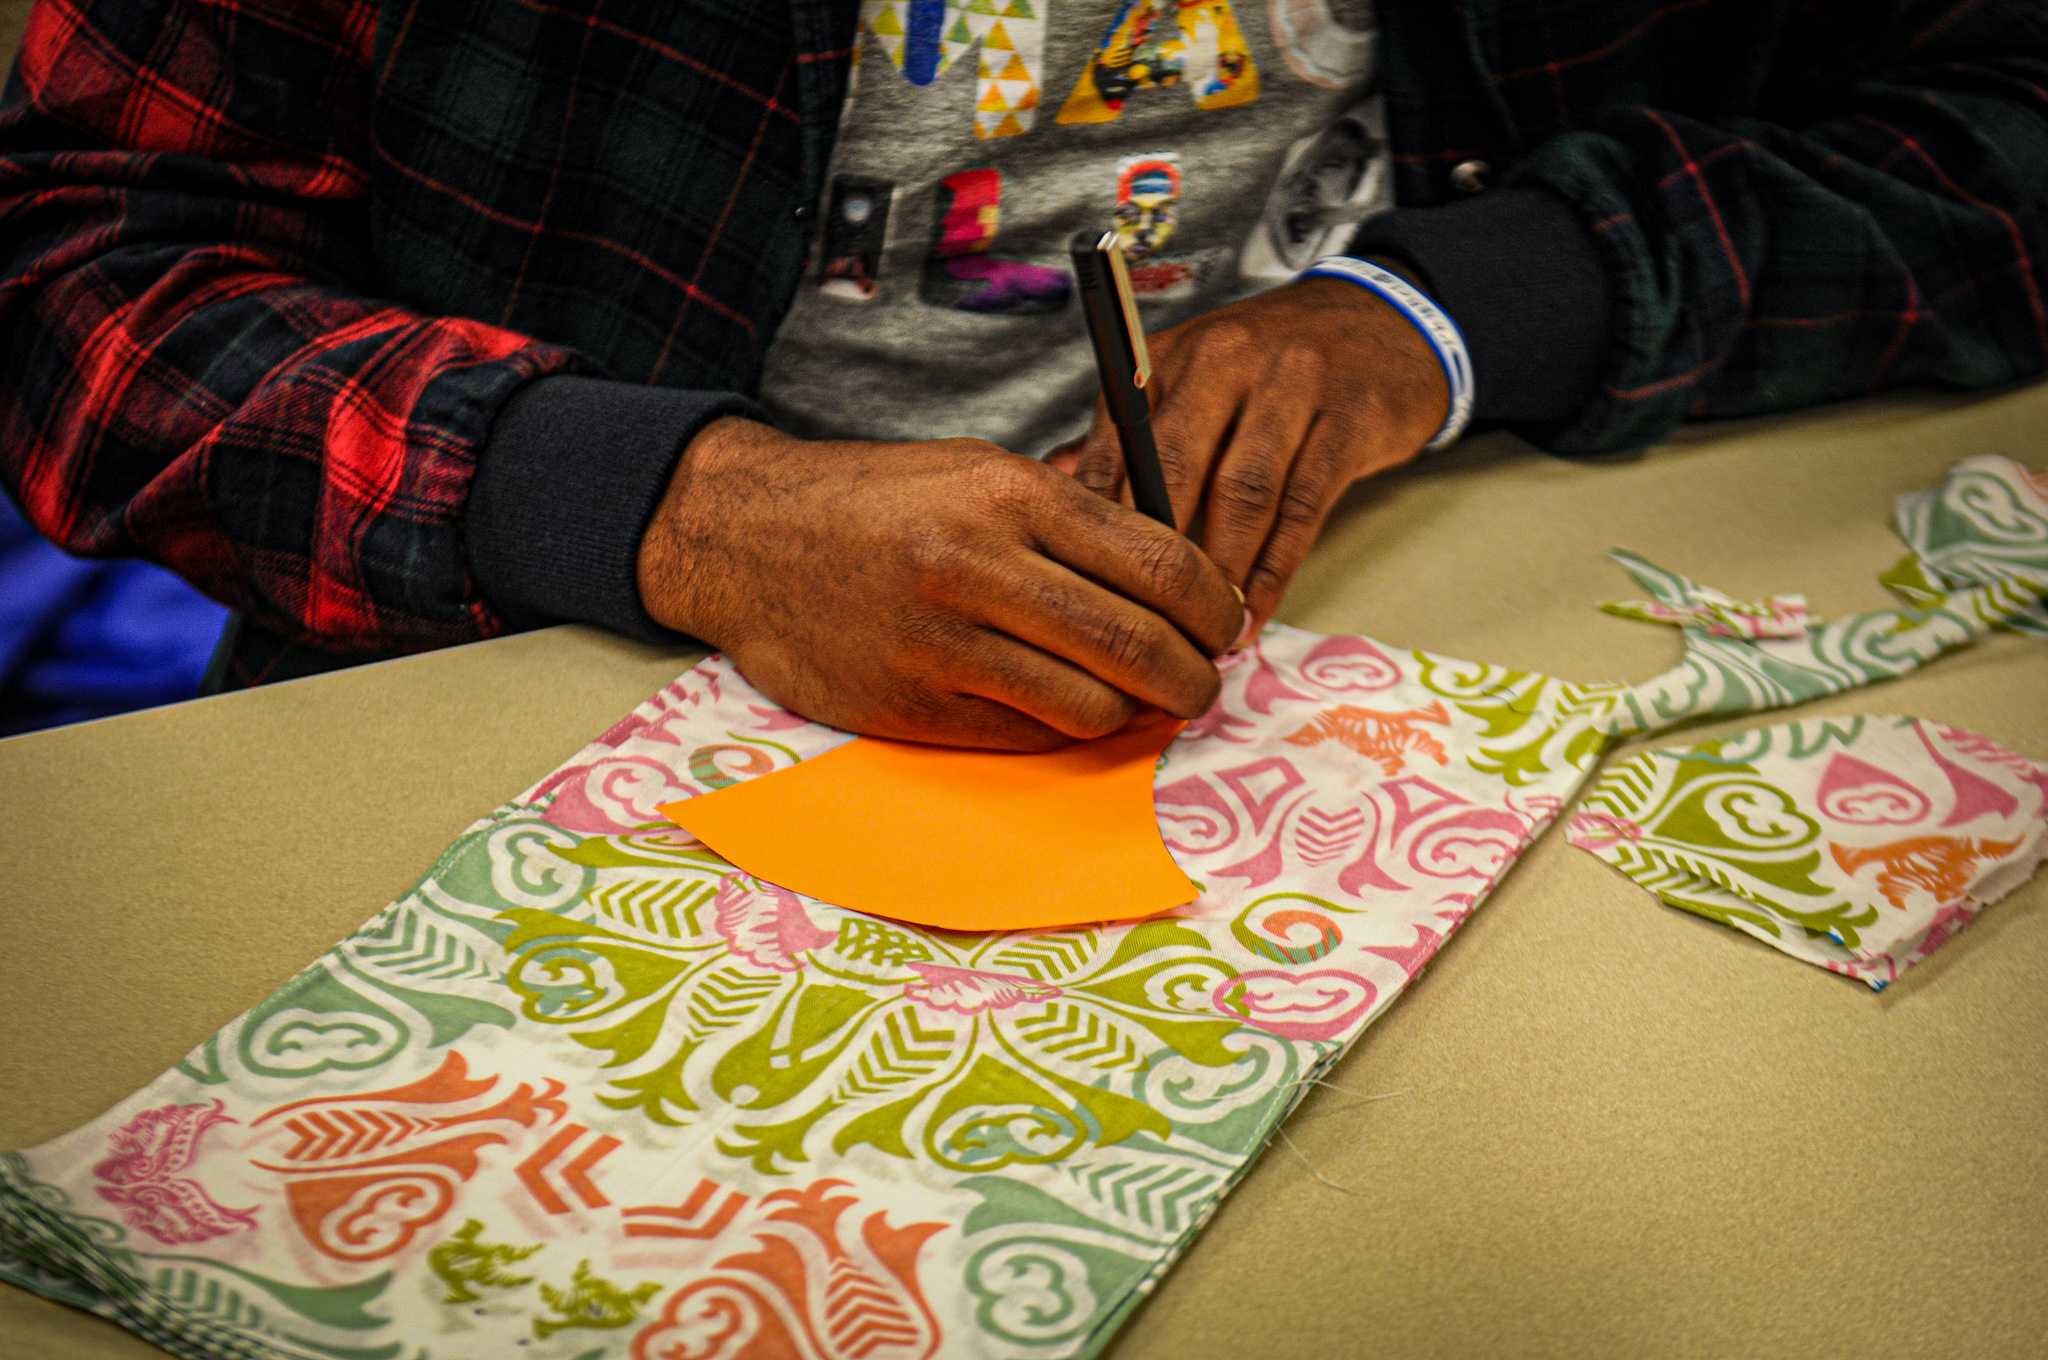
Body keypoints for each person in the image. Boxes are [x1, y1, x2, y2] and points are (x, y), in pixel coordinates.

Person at [2, 0, 2043, 749]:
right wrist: (667, 503)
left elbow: (2002, 122)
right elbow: (71, 259)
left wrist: (1449, 314)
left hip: (1401, 632)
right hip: (504, 683)